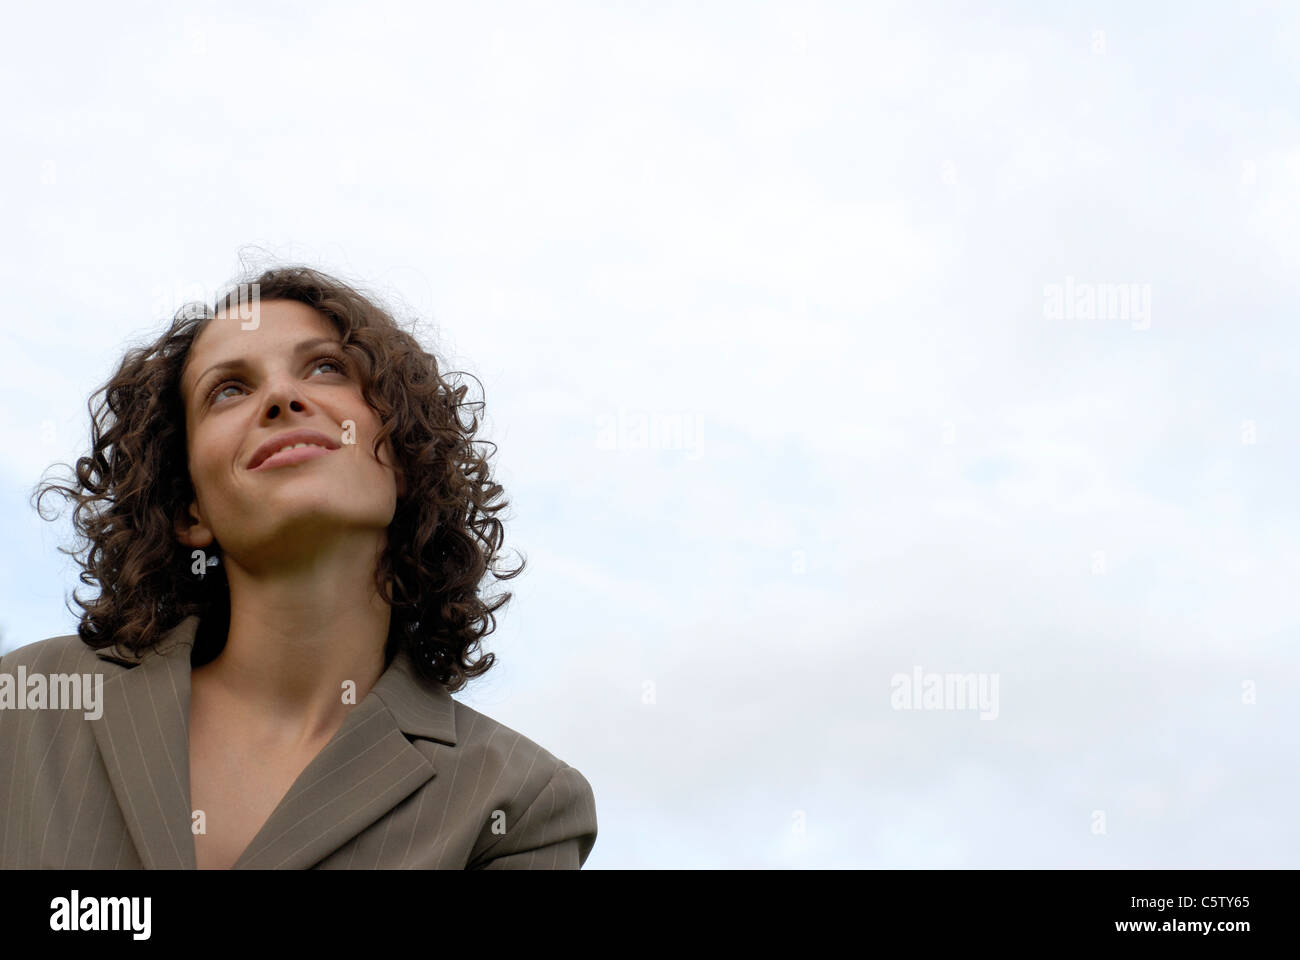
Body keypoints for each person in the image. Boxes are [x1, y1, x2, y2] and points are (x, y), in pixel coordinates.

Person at [0, 265, 597, 869]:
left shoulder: (519, 806)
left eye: (326, 367)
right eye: (228, 389)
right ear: (190, 509)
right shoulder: (28, 704)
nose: (282, 398)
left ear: (405, 453)